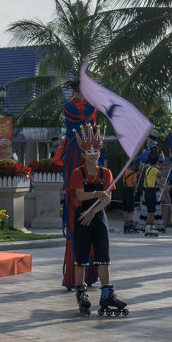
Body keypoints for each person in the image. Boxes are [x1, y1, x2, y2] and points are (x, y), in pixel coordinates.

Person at [68, 124, 128, 316]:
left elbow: (108, 198)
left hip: (98, 217)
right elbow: (79, 195)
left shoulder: (106, 173)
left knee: (104, 258)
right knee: (81, 259)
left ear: (100, 153)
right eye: (89, 152)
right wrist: (95, 193)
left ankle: (107, 294)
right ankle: (81, 294)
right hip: (82, 219)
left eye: (96, 151)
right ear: (83, 154)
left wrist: (94, 212)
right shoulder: (78, 173)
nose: (93, 155)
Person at [59, 81, 98, 288]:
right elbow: (82, 117)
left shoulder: (90, 106)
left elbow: (92, 117)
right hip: (75, 149)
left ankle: (91, 275)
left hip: (88, 150)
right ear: (75, 91)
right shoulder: (69, 106)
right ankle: (75, 277)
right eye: (80, 90)